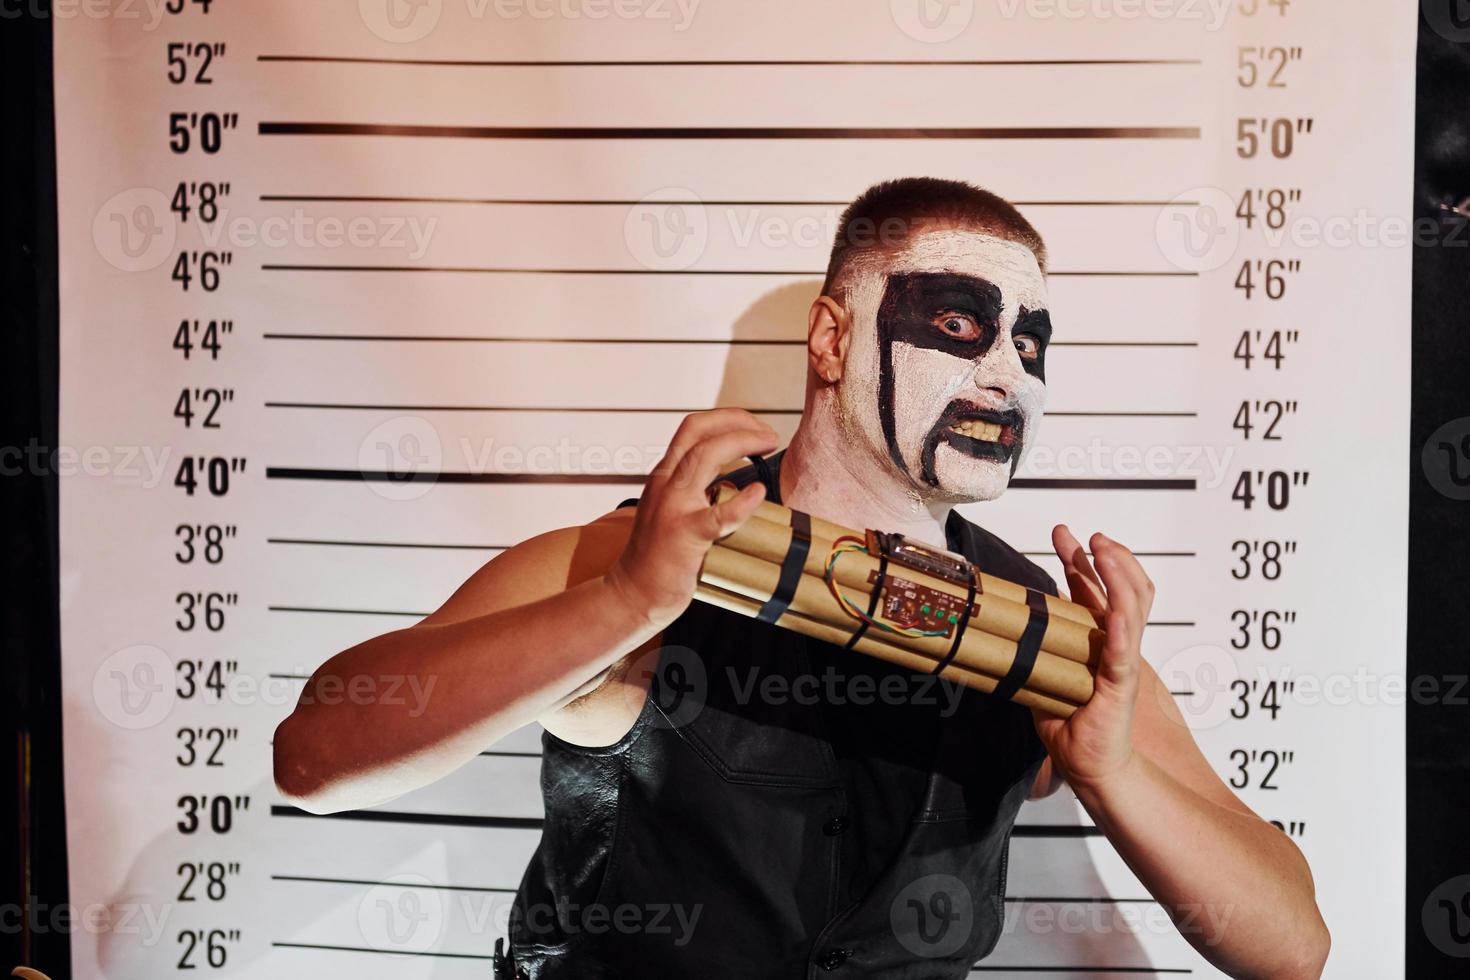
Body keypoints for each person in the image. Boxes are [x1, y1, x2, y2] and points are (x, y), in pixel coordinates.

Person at [273, 177, 1330, 979]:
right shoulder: (637, 559)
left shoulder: (1043, 631)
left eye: (1032, 342)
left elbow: (1293, 945)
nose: (1008, 373)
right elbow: (314, 757)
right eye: (960, 323)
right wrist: (626, 604)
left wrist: (1116, 774)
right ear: (831, 339)